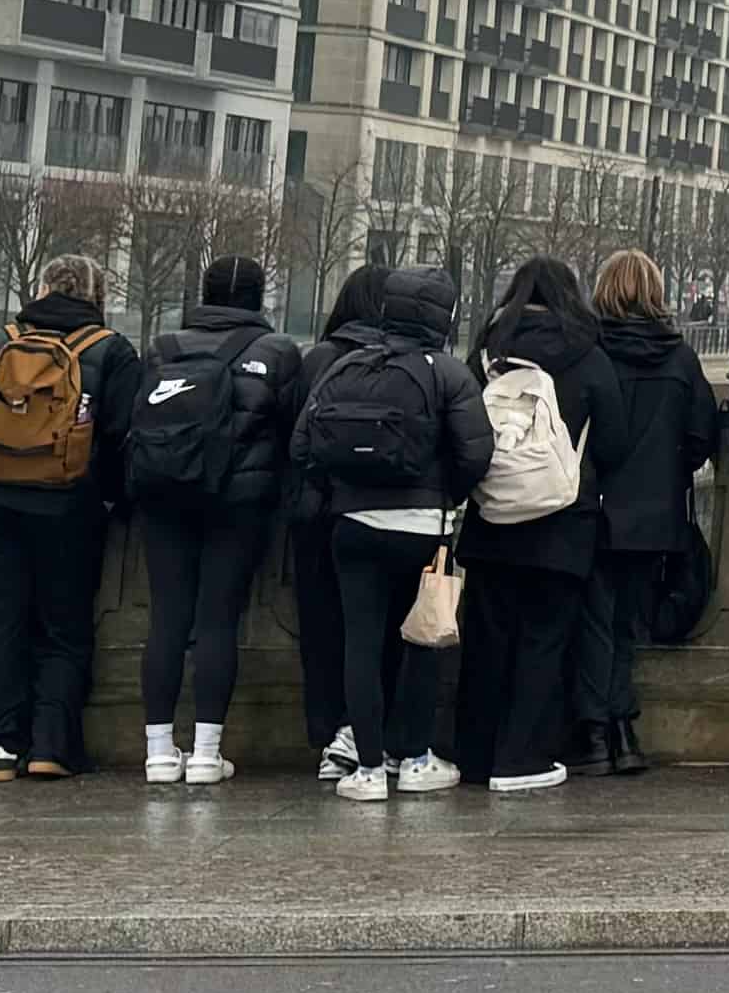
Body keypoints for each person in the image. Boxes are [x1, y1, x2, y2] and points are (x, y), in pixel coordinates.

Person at [0, 251, 135, 779]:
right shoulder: (110, 352)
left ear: (40, 290)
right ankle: (51, 747)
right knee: (62, 626)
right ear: (97, 297)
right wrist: (106, 496)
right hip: (69, 506)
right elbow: (124, 437)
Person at [294, 262, 488, 799]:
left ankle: (369, 768)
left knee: (360, 642)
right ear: (443, 317)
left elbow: (302, 446)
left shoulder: (346, 367)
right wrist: (445, 493)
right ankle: (417, 757)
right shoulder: (446, 373)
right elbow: (476, 453)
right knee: (421, 639)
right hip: (423, 527)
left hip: (352, 525)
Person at [123, 255, 303, 789]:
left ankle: (158, 751)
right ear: (257, 296)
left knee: (167, 619)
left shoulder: (161, 347)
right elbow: (293, 433)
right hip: (237, 501)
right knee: (217, 621)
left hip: (164, 496)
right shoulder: (278, 352)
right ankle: (205, 753)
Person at [449, 256, 606, 792]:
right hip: (562, 525)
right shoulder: (588, 351)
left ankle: (473, 756)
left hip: (493, 521)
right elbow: (617, 435)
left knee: (487, 640)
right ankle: (521, 760)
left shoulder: (489, 351)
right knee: (543, 641)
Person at [571, 250, 717, 776]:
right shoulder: (680, 358)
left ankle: (594, 734)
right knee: (627, 625)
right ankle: (623, 732)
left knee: (594, 620)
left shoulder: (590, 352)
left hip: (593, 508)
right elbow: (701, 437)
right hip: (654, 515)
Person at [284, 263, 394, 781]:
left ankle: (330, 734)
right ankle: (374, 733)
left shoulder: (317, 360)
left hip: (318, 513)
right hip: (384, 514)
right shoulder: (404, 363)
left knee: (323, 631)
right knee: (380, 632)